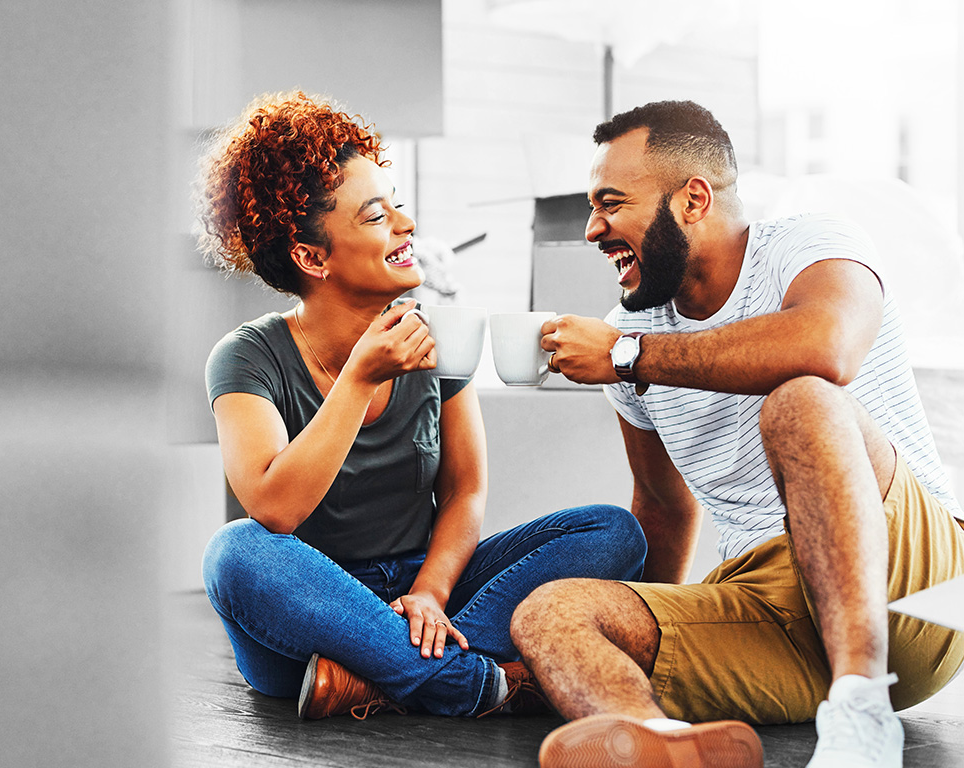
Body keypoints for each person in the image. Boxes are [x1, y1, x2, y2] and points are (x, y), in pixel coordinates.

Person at [511, 100, 964, 768]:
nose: (590, 229)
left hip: (912, 588)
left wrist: (628, 357)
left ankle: (861, 707)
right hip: (774, 617)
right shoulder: (628, 335)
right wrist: (641, 622)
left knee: (799, 400)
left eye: (610, 203)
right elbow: (663, 508)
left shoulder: (806, 245)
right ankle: (659, 743)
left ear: (693, 199)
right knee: (549, 613)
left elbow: (827, 348)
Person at [197, 92, 647, 720]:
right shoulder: (246, 357)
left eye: (399, 207)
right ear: (311, 257)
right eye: (377, 215)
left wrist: (430, 594)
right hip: (310, 609)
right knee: (234, 552)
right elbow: (274, 509)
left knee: (612, 531)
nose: (407, 226)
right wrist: (358, 380)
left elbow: (465, 491)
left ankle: (376, 680)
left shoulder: (437, 336)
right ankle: (467, 681)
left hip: (427, 588)